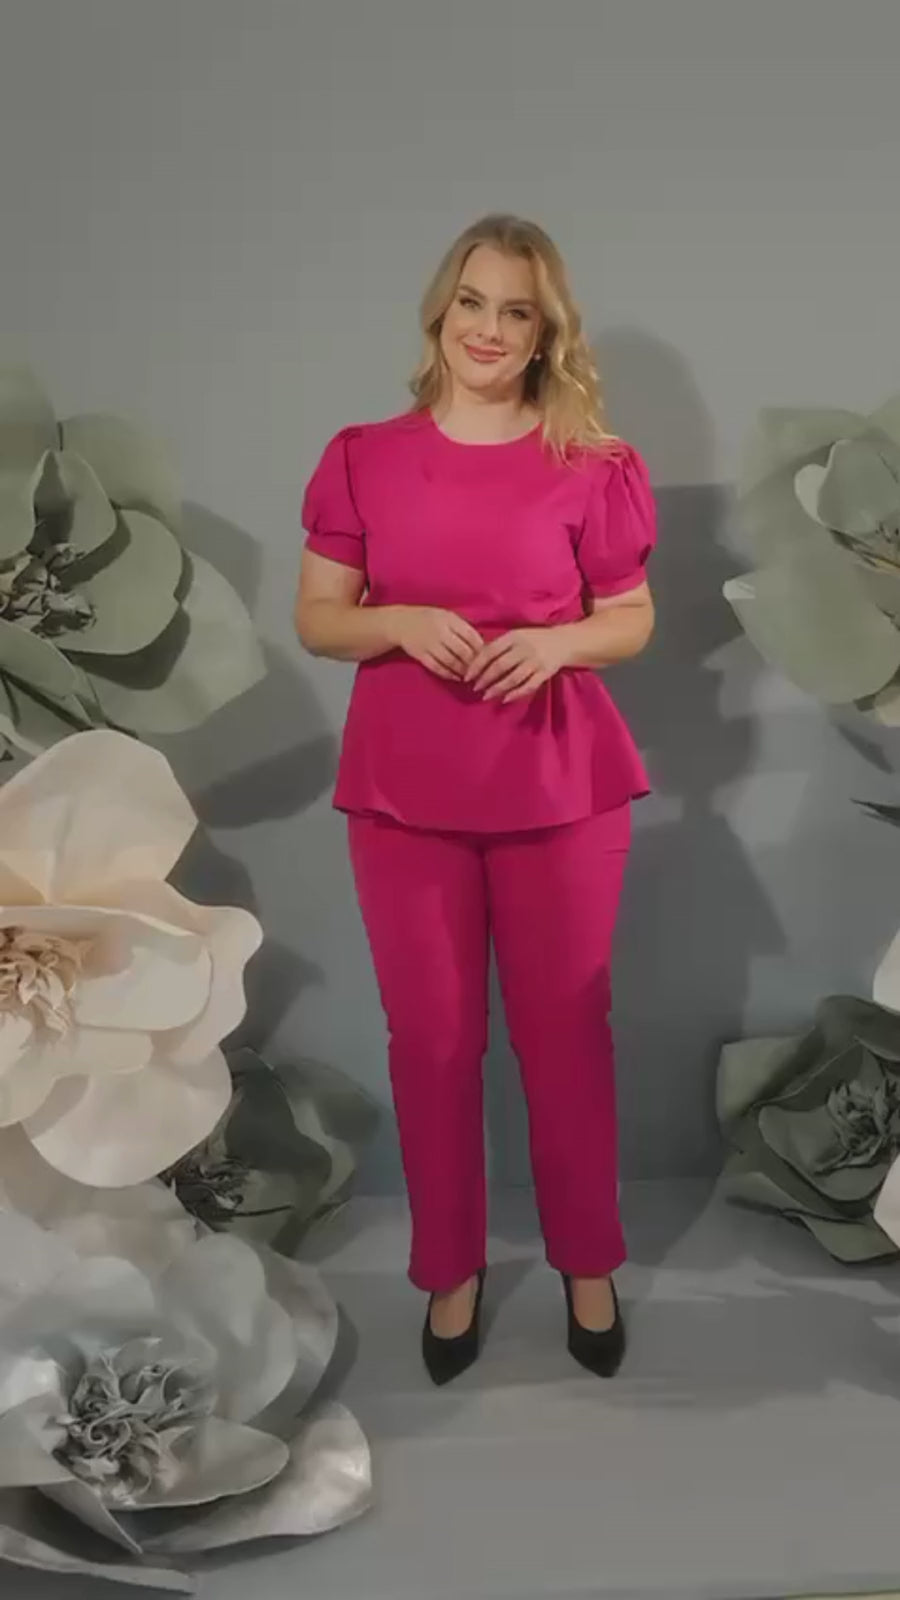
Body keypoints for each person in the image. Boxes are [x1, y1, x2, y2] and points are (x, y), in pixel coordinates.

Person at [295, 214, 656, 1386]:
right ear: (441, 310)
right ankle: (450, 1270)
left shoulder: (592, 464)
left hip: (561, 783)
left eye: (517, 310)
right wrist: (397, 620)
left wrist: (556, 645)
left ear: (546, 332)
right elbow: (318, 617)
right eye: (473, 302)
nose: (490, 329)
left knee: (567, 1036)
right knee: (435, 1041)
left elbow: (631, 617)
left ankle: (587, 1264)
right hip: (405, 789)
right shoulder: (363, 455)